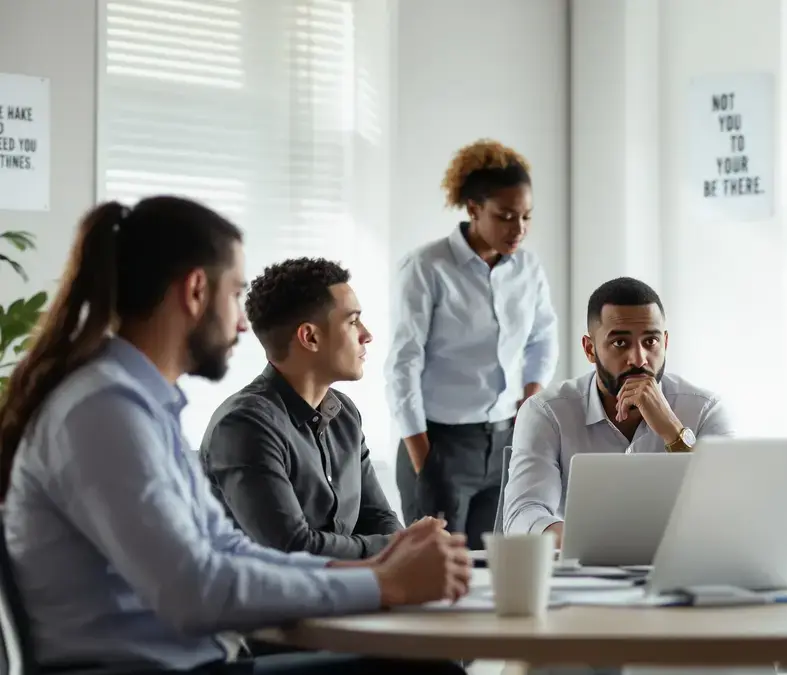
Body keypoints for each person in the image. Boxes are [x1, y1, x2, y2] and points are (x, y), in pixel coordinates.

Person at [0, 197, 470, 674]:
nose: (244, 324)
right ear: (195, 291)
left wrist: (376, 572)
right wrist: (382, 583)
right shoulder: (103, 411)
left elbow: (228, 550)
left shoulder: (140, 405)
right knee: (424, 670)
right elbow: (195, 590)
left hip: (195, 664)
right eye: (235, 294)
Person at [388, 139, 558, 550]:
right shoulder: (427, 267)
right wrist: (424, 462)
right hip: (439, 444)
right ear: (473, 209)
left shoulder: (528, 267)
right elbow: (403, 365)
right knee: (438, 569)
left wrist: (530, 398)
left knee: (491, 570)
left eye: (526, 217)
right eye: (505, 216)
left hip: (505, 442)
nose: (518, 229)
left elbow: (542, 336)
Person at [502, 276, 735, 546]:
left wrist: (673, 432)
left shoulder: (705, 409)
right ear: (590, 349)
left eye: (650, 341)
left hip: (682, 563)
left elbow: (728, 508)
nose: (638, 359)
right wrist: (590, 544)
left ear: (665, 342)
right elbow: (523, 514)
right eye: (620, 343)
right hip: (583, 565)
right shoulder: (546, 413)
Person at [200, 257, 402, 561]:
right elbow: (293, 548)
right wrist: (396, 548)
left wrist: (404, 545)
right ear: (310, 337)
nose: (366, 334)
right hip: (271, 591)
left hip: (342, 586)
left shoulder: (344, 414)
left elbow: (378, 518)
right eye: (352, 322)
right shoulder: (244, 425)